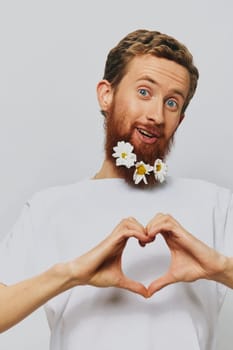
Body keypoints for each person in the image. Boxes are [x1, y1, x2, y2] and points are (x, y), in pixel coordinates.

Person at [0, 29, 233, 349]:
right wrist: (70, 275)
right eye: (143, 92)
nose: (156, 115)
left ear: (180, 118)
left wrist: (222, 269)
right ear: (105, 94)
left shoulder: (215, 204)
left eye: (172, 102)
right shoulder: (49, 207)